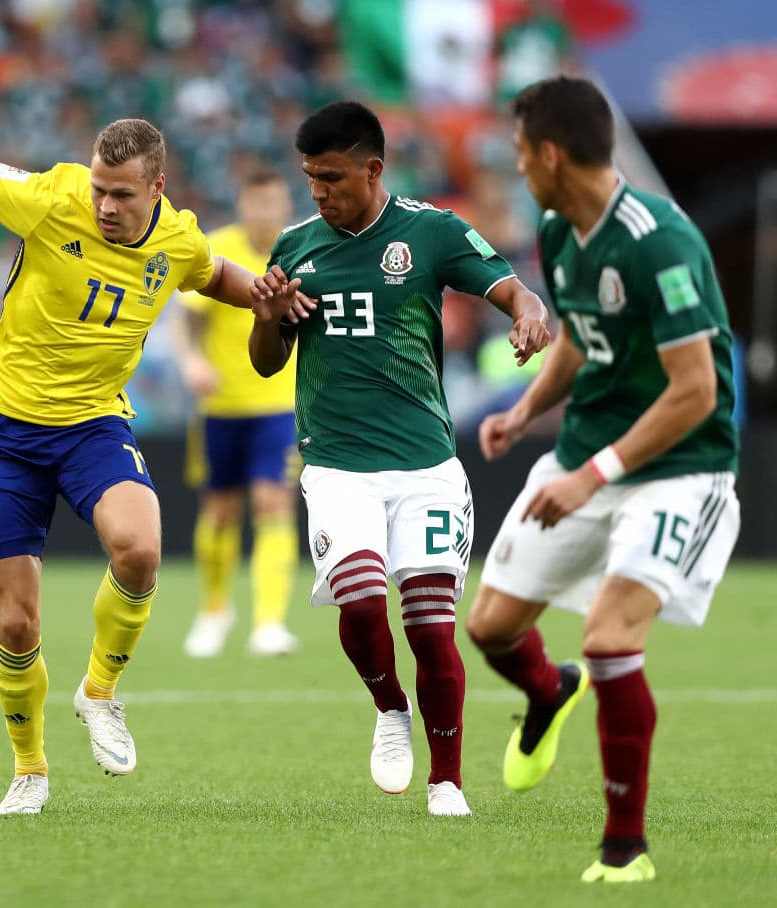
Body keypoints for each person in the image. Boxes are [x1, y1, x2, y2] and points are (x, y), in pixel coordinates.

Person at [0, 51, 312, 817]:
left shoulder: (177, 241)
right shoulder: (51, 198)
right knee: (16, 618)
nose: (105, 206)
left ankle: (100, 691)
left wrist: (267, 297)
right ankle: (30, 770)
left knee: (139, 547)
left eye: (121, 195)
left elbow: (218, 279)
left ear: (157, 190)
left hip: (92, 423)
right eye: (99, 189)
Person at [464, 75, 741, 883]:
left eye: (520, 152)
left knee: (612, 637)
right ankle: (551, 693)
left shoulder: (662, 240)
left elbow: (697, 391)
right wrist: (524, 412)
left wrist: (593, 475)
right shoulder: (557, 229)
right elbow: (582, 339)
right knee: (489, 629)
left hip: (678, 467)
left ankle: (626, 849)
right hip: (587, 452)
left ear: (551, 153)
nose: (516, 167)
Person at [249, 101, 550, 816]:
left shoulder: (430, 231)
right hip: (337, 463)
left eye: (331, 178)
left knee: (429, 626)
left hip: (425, 465)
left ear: (372, 169)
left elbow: (511, 286)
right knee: (358, 601)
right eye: (310, 179)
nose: (318, 192)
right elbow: (266, 364)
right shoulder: (293, 248)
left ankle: (447, 779)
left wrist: (529, 313)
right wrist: (266, 315)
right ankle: (390, 707)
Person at [174, 168, 301, 658]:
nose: (264, 212)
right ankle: (214, 610)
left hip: (278, 405)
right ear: (243, 204)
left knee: (273, 503)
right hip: (220, 405)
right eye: (255, 202)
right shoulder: (217, 247)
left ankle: (268, 622)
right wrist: (192, 361)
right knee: (220, 512)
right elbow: (185, 324)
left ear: (285, 206)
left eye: (272, 203)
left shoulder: (299, 250)